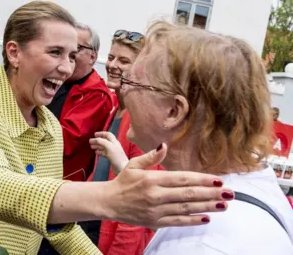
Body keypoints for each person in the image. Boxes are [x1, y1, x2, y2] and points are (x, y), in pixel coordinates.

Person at [0, 1, 235, 255]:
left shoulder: (50, 126)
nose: (66, 68)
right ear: (14, 53)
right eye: (55, 52)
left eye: (71, 56)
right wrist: (109, 199)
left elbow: (57, 227)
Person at [91, 21, 293, 255]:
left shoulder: (202, 245)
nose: (123, 90)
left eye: (132, 82)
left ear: (174, 111)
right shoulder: (245, 185)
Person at [88, 30, 163, 255]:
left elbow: (137, 206)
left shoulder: (140, 119)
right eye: (111, 57)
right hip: (94, 227)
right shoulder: (116, 109)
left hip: (112, 238)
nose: (112, 65)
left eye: (124, 61)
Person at [46, 22, 113, 182]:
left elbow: (66, 141)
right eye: (66, 47)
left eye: (78, 48)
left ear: (93, 56)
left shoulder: (97, 94)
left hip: (62, 182)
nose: (71, 53)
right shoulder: (57, 79)